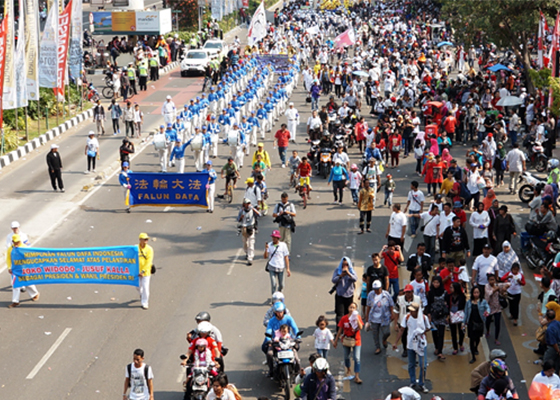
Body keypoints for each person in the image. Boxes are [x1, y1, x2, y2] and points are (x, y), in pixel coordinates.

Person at [392, 302, 430, 393]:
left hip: (421, 344)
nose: (411, 312)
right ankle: (413, 382)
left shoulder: (424, 318)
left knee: (423, 365)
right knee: (411, 364)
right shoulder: (407, 317)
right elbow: (402, 330)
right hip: (410, 344)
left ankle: (422, 383)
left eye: (413, 310)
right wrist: (396, 342)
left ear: (417, 311)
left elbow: (428, 328)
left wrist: (420, 331)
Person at [264, 302, 300, 377]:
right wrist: (269, 339)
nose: (280, 314)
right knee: (269, 354)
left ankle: (298, 372)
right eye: (278, 312)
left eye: (281, 312)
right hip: (276, 342)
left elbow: (295, 328)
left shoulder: (289, 318)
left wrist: (298, 337)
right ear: (275, 312)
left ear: (284, 311)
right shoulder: (272, 321)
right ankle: (271, 371)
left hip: (287, 341)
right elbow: (268, 331)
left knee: (296, 358)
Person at [6, 233, 40, 308]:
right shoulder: (10, 249)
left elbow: (29, 258)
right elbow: (8, 258)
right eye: (15, 242)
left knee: (28, 283)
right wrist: (9, 267)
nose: (17, 243)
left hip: (24, 269)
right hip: (15, 269)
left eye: (18, 241)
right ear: (13, 241)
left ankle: (35, 293)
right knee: (15, 285)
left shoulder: (24, 248)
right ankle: (15, 301)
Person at [333, 302, 363, 384]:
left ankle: (357, 376)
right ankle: (349, 369)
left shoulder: (358, 317)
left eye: (353, 308)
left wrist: (357, 319)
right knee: (346, 357)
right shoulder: (344, 318)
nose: (352, 309)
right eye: (350, 307)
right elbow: (340, 330)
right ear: (348, 308)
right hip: (346, 340)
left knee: (357, 358)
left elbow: (360, 327)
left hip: (356, 340)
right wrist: (336, 341)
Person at [427, 276, 449, 361]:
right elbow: (428, 304)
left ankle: (440, 351)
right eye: (434, 282)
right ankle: (437, 347)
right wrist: (429, 314)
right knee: (435, 333)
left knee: (441, 333)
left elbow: (447, 305)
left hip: (442, 316)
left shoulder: (444, 292)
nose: (436, 284)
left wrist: (447, 316)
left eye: (437, 282)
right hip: (434, 315)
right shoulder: (430, 293)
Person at [331, 257, 358, 325]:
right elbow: (333, 280)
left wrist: (348, 273)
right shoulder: (337, 271)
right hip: (340, 295)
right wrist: (340, 276)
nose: (345, 266)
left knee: (348, 313)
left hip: (349, 296)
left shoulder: (352, 271)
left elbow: (355, 279)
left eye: (346, 264)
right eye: (343, 264)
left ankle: (347, 329)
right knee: (340, 314)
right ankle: (339, 330)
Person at [485, 274, 510, 346]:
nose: (492, 281)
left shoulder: (498, 285)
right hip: (489, 308)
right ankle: (488, 330)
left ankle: (496, 338)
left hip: (498, 308)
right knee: (488, 321)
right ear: (488, 280)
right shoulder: (487, 287)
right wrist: (496, 289)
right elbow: (489, 293)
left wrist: (504, 287)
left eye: (493, 279)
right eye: (491, 280)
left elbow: (508, 284)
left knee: (497, 324)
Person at [264, 230, 291, 295]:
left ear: (278, 238)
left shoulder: (283, 245)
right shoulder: (269, 245)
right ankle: (273, 299)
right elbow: (265, 256)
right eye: (273, 237)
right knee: (273, 284)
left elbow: (286, 257)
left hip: (280, 267)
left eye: (275, 237)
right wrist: (266, 249)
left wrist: (287, 268)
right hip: (272, 267)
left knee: (281, 285)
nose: (273, 238)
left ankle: (278, 295)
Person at [238, 199, 259, 265]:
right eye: (246, 203)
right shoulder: (242, 210)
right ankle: (247, 252)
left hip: (251, 227)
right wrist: (241, 217)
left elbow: (259, 214)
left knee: (251, 243)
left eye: (249, 203)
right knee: (245, 242)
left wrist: (254, 209)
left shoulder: (252, 209)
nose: (247, 205)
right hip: (244, 228)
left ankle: (250, 258)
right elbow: (238, 219)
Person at [448, 282, 466, 355]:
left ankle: (461, 343)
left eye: (451, 287)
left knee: (461, 331)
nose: (450, 289)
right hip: (451, 316)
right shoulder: (449, 296)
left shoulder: (462, 297)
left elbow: (464, 307)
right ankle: (455, 347)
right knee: (453, 332)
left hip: (460, 316)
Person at [137, 233, 153, 310]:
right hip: (136, 271)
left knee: (146, 288)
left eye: (147, 239)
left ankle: (145, 302)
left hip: (146, 272)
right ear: (140, 240)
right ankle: (142, 294)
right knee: (138, 286)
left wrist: (143, 271)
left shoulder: (149, 249)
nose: (146, 240)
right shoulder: (136, 248)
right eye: (145, 239)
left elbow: (148, 262)